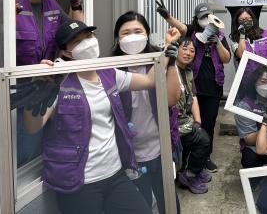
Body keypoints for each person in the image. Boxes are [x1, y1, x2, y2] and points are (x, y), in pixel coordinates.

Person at [23, 19, 180, 214]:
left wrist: (167, 50)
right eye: (77, 41)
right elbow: (33, 126)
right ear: (66, 52)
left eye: (89, 36)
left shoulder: (108, 73)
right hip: (79, 183)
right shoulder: (59, 82)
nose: (87, 42)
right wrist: (35, 95)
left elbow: (149, 80)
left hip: (115, 175)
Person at [15, 0, 84, 165]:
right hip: (17, 97)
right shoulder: (8, 0)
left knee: (41, 152)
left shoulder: (51, 5)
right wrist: (4, 15)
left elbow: (78, 32)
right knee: (21, 156)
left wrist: (76, 2)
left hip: (47, 91)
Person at [112, 11, 182, 213]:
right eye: (126, 33)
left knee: (169, 203)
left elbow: (171, 99)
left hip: (161, 148)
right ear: (117, 38)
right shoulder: (110, 67)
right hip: (129, 154)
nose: (132, 37)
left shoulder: (160, 59)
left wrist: (170, 61)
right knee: (140, 206)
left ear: (147, 34)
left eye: (138, 31)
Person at [156, 0, 231, 172]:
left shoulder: (219, 35)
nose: (205, 19)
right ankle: (187, 157)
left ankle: (205, 157)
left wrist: (217, 42)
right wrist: (167, 16)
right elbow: (181, 28)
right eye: (202, 17)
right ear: (197, 18)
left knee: (209, 124)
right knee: (190, 123)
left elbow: (226, 59)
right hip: (193, 85)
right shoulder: (193, 31)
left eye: (208, 16)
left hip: (213, 87)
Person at [173, 37, 213, 194]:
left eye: (192, 51)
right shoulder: (170, 70)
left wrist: (197, 121)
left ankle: (193, 170)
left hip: (185, 120)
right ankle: (190, 175)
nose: (188, 53)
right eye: (184, 49)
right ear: (176, 50)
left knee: (201, 133)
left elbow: (194, 97)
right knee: (203, 141)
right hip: (173, 123)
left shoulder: (188, 72)